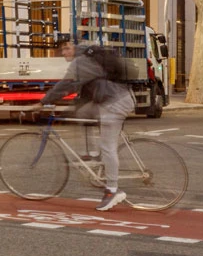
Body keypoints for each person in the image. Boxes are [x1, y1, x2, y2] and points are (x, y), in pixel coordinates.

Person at [40, 35, 136, 211]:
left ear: (75, 47)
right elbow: (82, 95)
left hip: (114, 103)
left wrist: (43, 101)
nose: (64, 52)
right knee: (81, 113)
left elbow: (66, 85)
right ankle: (90, 154)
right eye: (62, 49)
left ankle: (112, 190)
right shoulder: (89, 58)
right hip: (112, 99)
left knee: (108, 146)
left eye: (67, 48)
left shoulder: (81, 62)